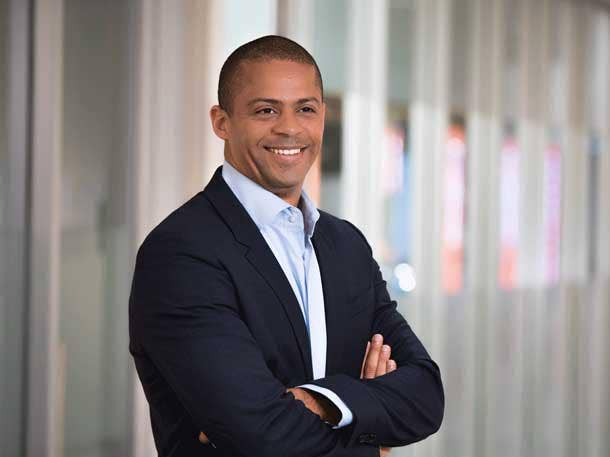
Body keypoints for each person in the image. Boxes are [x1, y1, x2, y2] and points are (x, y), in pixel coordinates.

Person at [129, 35, 444, 457]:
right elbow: (260, 435)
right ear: (222, 122)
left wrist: (317, 401)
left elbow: (425, 396)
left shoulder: (346, 246)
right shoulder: (181, 253)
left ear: (322, 116)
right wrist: (371, 441)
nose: (290, 128)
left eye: (305, 109)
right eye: (266, 110)